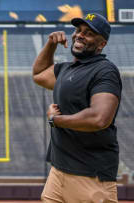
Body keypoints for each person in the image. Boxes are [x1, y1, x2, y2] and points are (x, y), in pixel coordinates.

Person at [32, 13, 122, 202]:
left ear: (101, 44)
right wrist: (51, 45)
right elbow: (39, 74)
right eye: (78, 30)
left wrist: (54, 120)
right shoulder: (66, 69)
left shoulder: (105, 70)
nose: (79, 35)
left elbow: (99, 118)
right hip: (58, 172)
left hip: (90, 177)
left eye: (88, 33)